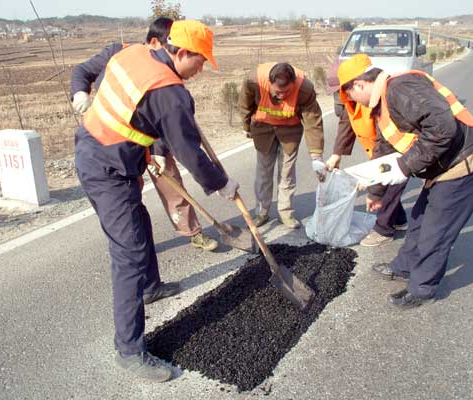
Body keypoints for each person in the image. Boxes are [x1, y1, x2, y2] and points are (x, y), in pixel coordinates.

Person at [74, 20, 239, 381]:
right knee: (129, 253)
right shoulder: (170, 92)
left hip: (103, 153)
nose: (201, 70)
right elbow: (190, 154)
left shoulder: (133, 52)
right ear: (183, 52)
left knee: (140, 221)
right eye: (200, 61)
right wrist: (221, 183)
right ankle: (129, 351)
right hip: (107, 168)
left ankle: (150, 288)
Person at [338, 54, 473, 309]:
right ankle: (404, 267)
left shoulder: (401, 88)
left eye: (351, 97)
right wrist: (376, 194)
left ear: (359, 84)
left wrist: (405, 166)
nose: (355, 104)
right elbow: (383, 152)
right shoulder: (384, 105)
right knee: (419, 218)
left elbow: (444, 128)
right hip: (444, 168)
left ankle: (422, 289)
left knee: (435, 232)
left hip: (466, 165)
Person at [71, 17, 218, 252]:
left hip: (155, 137)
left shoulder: (166, 74)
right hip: (115, 141)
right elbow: (83, 71)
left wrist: (159, 151)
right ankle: (131, 237)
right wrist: (80, 92)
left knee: (172, 184)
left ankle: (192, 231)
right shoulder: (121, 52)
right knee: (126, 196)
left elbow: (166, 119)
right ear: (154, 42)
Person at [325, 59, 408, 247]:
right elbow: (346, 123)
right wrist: (337, 153)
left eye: (343, 90)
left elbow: (386, 144)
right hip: (377, 151)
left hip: (394, 149)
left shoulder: (378, 98)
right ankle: (400, 219)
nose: (342, 95)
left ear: (357, 83)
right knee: (386, 186)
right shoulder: (352, 100)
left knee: (389, 186)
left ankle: (383, 230)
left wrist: (374, 189)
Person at [238, 62, 325, 229]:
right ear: (269, 83)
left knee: (287, 173)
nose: (282, 96)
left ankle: (286, 213)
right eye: (277, 92)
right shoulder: (254, 81)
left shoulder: (304, 88)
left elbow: (313, 121)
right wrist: (246, 126)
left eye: (286, 92)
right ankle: (261, 212)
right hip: (263, 128)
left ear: (293, 83)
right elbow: (245, 104)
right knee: (263, 172)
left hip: (290, 131)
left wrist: (316, 156)